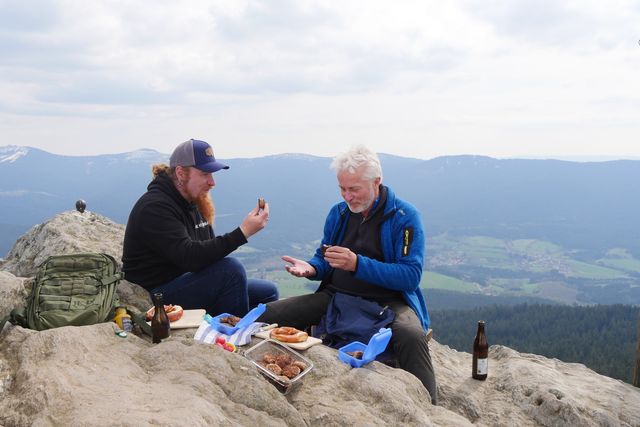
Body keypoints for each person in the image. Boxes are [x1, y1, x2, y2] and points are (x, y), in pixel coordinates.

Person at [258, 145, 437, 404]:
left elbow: (410, 276)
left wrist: (357, 264)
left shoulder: (404, 217)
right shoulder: (339, 213)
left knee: (412, 335)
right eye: (342, 188)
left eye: (354, 189)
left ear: (376, 182)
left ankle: (431, 407)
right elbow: (325, 258)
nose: (347, 196)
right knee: (267, 314)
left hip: (388, 302)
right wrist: (312, 268)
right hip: (337, 296)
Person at [122, 138, 278, 316]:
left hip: (187, 281)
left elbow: (206, 255)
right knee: (230, 271)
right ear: (181, 173)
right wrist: (243, 232)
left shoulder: (192, 201)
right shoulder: (155, 207)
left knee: (268, 292)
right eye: (205, 174)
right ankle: (233, 332)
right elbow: (190, 257)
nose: (212, 182)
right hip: (157, 295)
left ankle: (240, 324)